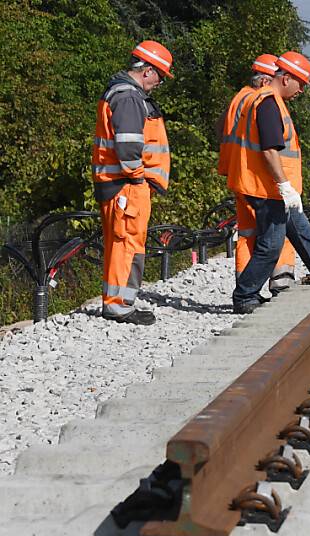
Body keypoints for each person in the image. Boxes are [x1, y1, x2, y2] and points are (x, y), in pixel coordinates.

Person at [224, 51, 310, 314]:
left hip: (272, 188)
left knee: (301, 231)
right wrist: (284, 186)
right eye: (300, 83)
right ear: (286, 78)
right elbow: (269, 150)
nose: (302, 90)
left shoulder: (271, 101)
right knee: (271, 244)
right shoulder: (268, 103)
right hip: (266, 188)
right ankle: (245, 295)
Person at [91, 40, 174, 325]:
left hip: (119, 183)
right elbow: (127, 146)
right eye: (160, 76)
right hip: (126, 184)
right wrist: (138, 176)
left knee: (123, 244)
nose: (160, 82)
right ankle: (118, 305)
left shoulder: (123, 93)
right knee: (126, 244)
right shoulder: (128, 98)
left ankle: (119, 302)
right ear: (148, 70)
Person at [217, 54, 296, 295]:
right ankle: (280, 279)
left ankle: (246, 284)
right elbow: (266, 146)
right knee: (274, 232)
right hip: (258, 179)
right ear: (265, 80)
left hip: (239, 176)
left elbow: (222, 131)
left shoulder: (238, 99)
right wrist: (282, 183)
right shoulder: (261, 101)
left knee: (248, 233)